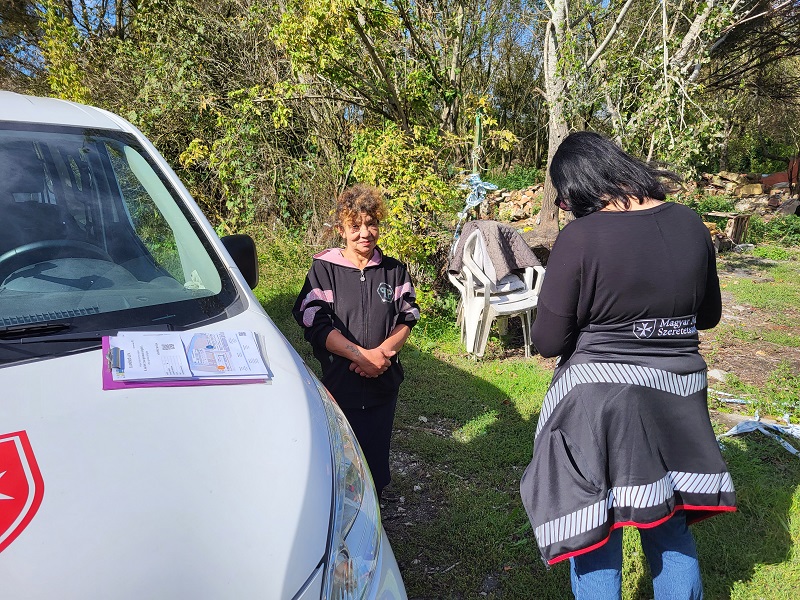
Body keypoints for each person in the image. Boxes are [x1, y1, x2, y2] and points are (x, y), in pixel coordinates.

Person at [520, 131, 736, 599]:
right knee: (669, 519)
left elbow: (548, 340)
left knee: (595, 526)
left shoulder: (581, 237)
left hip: (602, 405)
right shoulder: (691, 225)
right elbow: (709, 316)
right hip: (677, 396)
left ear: (580, 185)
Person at [292, 184, 419, 498]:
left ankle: (375, 498)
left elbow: (408, 315)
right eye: (355, 226)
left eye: (372, 223)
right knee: (342, 457)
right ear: (341, 229)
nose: (365, 232)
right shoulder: (323, 270)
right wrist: (361, 357)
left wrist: (381, 355)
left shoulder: (394, 271)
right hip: (341, 384)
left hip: (383, 382)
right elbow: (313, 320)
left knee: (375, 453)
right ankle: (343, 504)